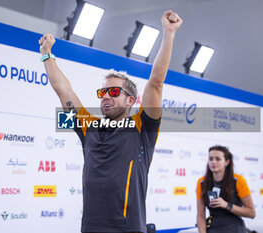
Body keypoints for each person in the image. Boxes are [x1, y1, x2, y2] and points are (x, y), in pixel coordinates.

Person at [39, 10, 182, 233]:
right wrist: (47, 54)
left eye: (114, 91)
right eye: (103, 92)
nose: (106, 96)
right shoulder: (88, 127)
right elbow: (62, 89)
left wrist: (169, 33)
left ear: (130, 100)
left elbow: (155, 83)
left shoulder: (143, 127)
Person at [196, 145, 256, 233]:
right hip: (213, 227)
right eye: (211, 159)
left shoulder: (238, 180)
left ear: (227, 162)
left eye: (218, 159)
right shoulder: (201, 182)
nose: (213, 162)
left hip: (235, 228)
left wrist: (227, 205)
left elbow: (251, 213)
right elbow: (200, 215)